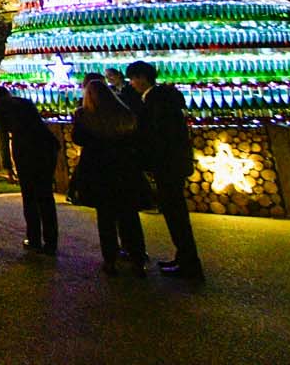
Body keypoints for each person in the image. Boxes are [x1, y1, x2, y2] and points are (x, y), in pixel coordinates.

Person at [126, 60, 204, 280]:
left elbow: (158, 135)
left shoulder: (157, 102)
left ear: (142, 78)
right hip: (172, 164)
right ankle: (184, 257)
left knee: (175, 214)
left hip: (167, 165)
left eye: (133, 79)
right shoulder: (160, 99)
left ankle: (189, 263)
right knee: (175, 214)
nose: (131, 84)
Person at [71, 78, 151, 277]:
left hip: (99, 171)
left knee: (106, 218)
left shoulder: (84, 115)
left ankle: (110, 260)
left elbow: (78, 139)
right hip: (124, 169)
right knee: (129, 216)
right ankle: (137, 259)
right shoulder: (123, 113)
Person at [0, 86, 59, 254]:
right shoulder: (25, 102)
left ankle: (34, 238)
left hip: (25, 150)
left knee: (29, 196)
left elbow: (2, 138)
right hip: (46, 146)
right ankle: (51, 241)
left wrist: (6, 165)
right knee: (45, 195)